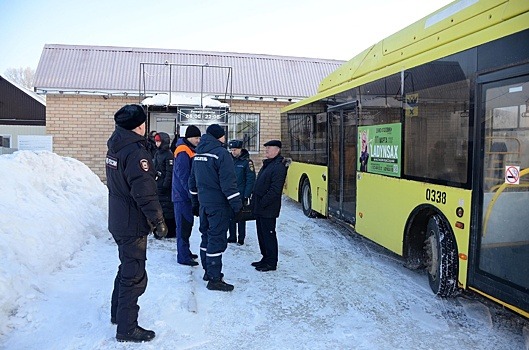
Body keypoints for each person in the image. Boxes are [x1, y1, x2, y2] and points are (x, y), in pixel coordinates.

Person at [105, 104, 168, 343]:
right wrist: (158, 221)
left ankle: (117, 314)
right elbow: (144, 192)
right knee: (134, 275)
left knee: (126, 267)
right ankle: (127, 328)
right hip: (131, 222)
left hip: (119, 218)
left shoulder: (117, 145)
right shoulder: (135, 153)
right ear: (139, 126)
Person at [188, 124, 242, 292]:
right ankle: (214, 279)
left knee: (206, 236)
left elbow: (192, 182)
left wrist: (195, 203)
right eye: (224, 136)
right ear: (220, 137)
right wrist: (237, 205)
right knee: (217, 239)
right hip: (218, 205)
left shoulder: (199, 153)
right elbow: (228, 183)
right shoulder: (221, 154)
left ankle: (207, 271)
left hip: (204, 204)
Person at [251, 140, 288, 272]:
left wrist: (262, 203)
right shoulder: (268, 164)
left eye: (269, 148)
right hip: (260, 207)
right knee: (261, 234)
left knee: (269, 234)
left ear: (277, 150)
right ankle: (265, 258)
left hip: (268, 208)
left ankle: (271, 262)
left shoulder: (279, 166)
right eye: (266, 148)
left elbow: (275, 190)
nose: (266, 151)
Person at [172, 125, 201, 266]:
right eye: (196, 138)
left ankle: (186, 252)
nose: (198, 140)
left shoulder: (189, 149)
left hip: (185, 196)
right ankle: (183, 256)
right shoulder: (183, 150)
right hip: (182, 197)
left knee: (187, 225)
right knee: (183, 226)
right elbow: (183, 175)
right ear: (189, 137)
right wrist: (191, 194)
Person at [227, 139, 256, 245]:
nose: (233, 152)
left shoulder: (246, 162)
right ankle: (232, 236)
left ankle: (241, 237)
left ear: (240, 149)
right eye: (231, 150)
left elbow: (250, 179)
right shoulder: (228, 160)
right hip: (230, 194)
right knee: (230, 216)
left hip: (241, 194)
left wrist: (246, 195)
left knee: (241, 216)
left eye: (235, 150)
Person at [153, 132, 176, 239]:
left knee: (168, 210)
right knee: (161, 209)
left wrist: (165, 185)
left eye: (158, 141)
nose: (156, 143)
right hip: (158, 185)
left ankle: (171, 231)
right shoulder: (158, 153)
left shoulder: (169, 155)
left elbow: (169, 172)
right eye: (156, 141)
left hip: (165, 187)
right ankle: (161, 230)